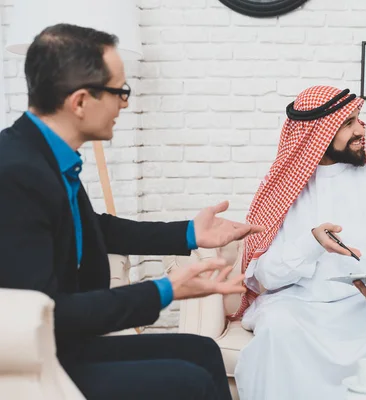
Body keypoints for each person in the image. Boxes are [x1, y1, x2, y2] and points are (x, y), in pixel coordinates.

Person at [0, 24, 263, 400]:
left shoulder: (42, 156)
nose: (124, 103)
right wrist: (164, 290)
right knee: (189, 383)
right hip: (36, 364)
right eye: (119, 91)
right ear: (80, 102)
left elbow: (95, 229)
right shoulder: (15, 174)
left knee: (202, 352)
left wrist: (189, 233)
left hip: (66, 346)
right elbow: (44, 313)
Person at [233, 86, 366, 400]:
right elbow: (264, 277)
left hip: (365, 307)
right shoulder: (284, 192)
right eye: (348, 123)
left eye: (358, 120)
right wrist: (310, 243)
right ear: (318, 133)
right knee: (277, 330)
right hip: (298, 308)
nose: (361, 130)